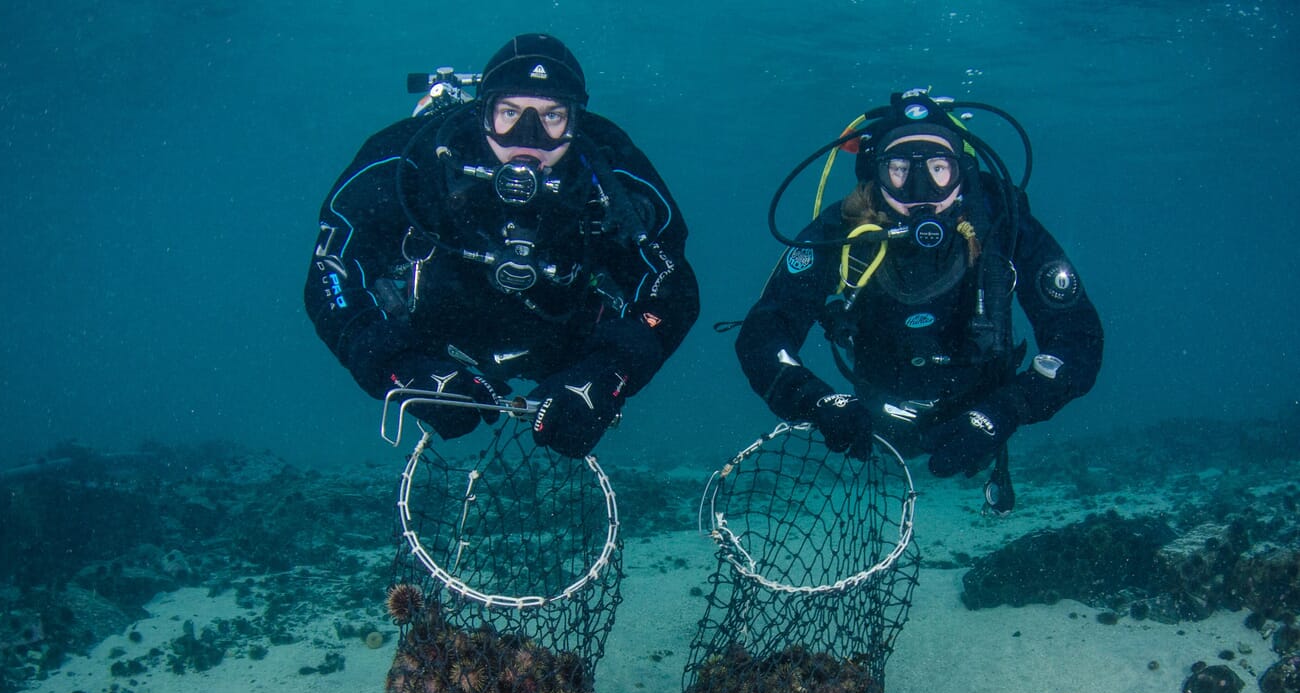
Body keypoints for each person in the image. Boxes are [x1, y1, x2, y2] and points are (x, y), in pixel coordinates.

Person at [306, 33, 698, 458]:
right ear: (482, 111)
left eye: (553, 117)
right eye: (509, 113)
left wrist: (610, 372)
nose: (527, 138)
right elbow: (332, 272)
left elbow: (671, 283)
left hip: (568, 344)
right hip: (433, 338)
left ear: (577, 121)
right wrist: (398, 367)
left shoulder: (612, 167)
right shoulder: (407, 157)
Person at [735, 89, 1102, 511]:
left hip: (983, 408)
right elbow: (764, 330)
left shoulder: (1003, 223)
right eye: (899, 170)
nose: (920, 188)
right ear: (876, 173)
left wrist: (1008, 408)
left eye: (939, 168)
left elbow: (1078, 336)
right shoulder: (842, 230)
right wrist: (817, 400)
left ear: (962, 170)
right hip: (876, 418)